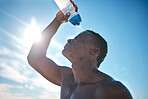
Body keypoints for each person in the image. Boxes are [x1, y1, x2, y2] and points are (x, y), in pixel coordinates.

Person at [27, 1, 133, 99]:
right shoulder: (67, 78)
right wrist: (57, 21)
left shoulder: (113, 90)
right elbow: (34, 58)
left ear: (94, 51)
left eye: (78, 39)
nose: (69, 40)